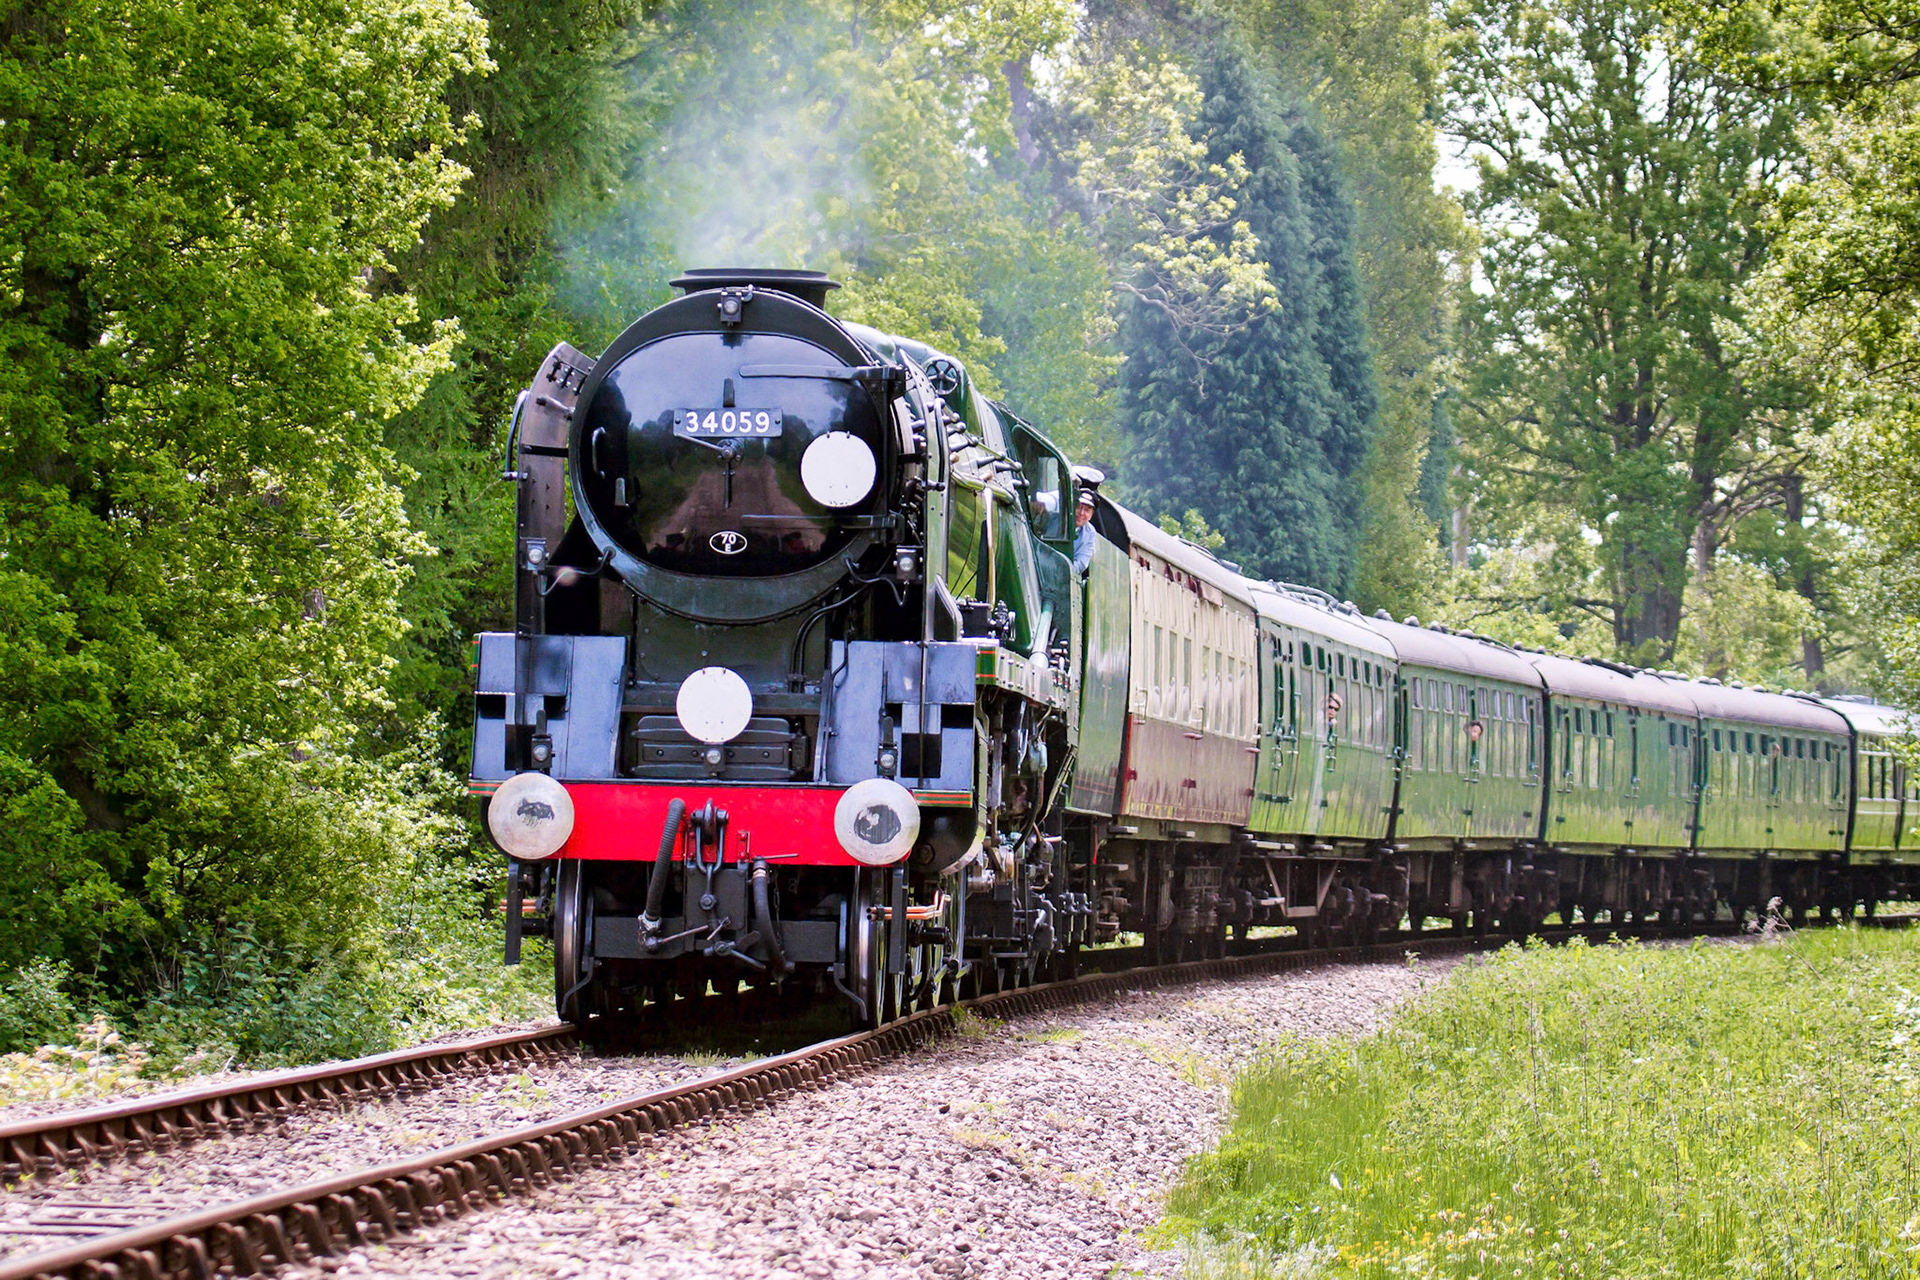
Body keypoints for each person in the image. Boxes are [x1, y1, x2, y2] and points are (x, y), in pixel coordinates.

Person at [1073, 489, 1097, 573]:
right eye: (1079, 507)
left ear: (1091, 515)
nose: (1081, 513)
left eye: (1087, 510)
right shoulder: (1054, 519)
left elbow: (1082, 562)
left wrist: (1064, 569)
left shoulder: (1090, 533)